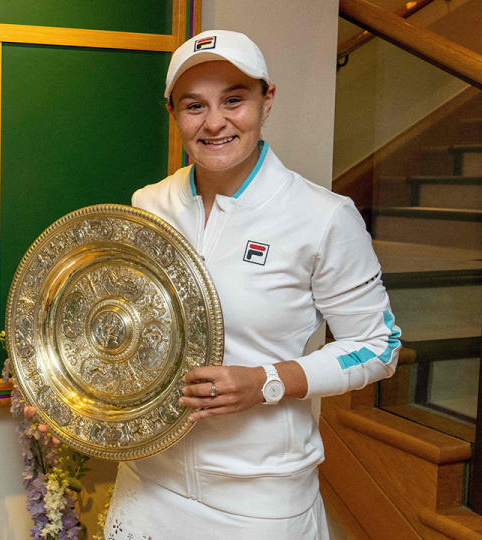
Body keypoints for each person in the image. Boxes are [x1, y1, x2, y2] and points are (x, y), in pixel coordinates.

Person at [103, 29, 401, 539]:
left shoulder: (323, 217)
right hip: (146, 483)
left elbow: (379, 346)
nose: (215, 122)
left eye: (234, 100)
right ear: (172, 113)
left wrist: (267, 381)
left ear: (267, 101)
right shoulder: (148, 205)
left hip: (259, 499)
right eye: (194, 105)